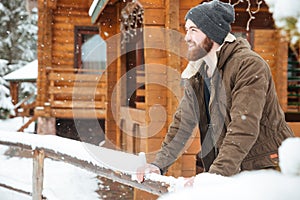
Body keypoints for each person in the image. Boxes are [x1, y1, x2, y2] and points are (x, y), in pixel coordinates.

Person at [136, 0, 294, 182]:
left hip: (264, 168)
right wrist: (158, 164)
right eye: (186, 30)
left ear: (213, 34)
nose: (187, 37)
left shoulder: (248, 65)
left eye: (193, 30)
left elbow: (243, 126)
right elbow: (183, 123)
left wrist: (213, 176)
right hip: (230, 168)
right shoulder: (198, 73)